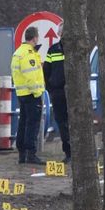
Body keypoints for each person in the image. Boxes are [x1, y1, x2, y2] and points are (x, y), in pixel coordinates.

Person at [11, 26, 46, 165]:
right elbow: (31, 76)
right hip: (32, 94)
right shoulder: (29, 54)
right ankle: (31, 154)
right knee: (33, 124)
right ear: (35, 38)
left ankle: (22, 154)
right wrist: (38, 93)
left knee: (23, 123)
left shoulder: (17, 53)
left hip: (21, 93)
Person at [43, 25, 71, 164]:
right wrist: (51, 88)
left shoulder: (72, 49)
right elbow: (46, 71)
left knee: (68, 123)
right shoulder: (53, 49)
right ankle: (69, 152)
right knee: (62, 122)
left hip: (71, 93)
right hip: (59, 92)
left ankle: (71, 153)